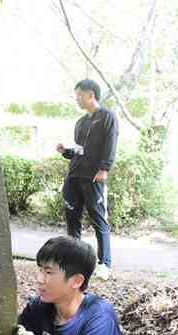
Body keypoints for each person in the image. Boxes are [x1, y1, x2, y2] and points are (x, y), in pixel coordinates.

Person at [56, 80, 118, 281]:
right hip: (74, 176)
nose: (77, 99)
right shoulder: (81, 123)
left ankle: (104, 264)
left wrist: (104, 169)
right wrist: (66, 151)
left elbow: (110, 145)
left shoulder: (108, 117)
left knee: (98, 219)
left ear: (90, 95)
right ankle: (74, 262)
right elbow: (79, 150)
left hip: (93, 178)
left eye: (79, 95)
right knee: (72, 219)